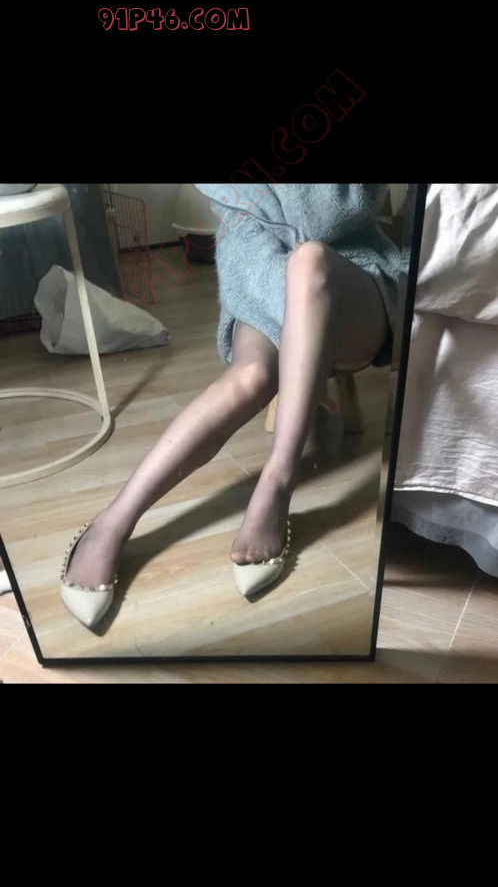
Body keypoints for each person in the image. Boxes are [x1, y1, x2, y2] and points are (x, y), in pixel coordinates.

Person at [60, 184, 400, 628]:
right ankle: (113, 522)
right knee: (250, 376)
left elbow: (331, 216)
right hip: (262, 274)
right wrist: (297, 333)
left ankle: (277, 483)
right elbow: (241, 229)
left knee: (309, 261)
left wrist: (305, 317)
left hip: (356, 277)